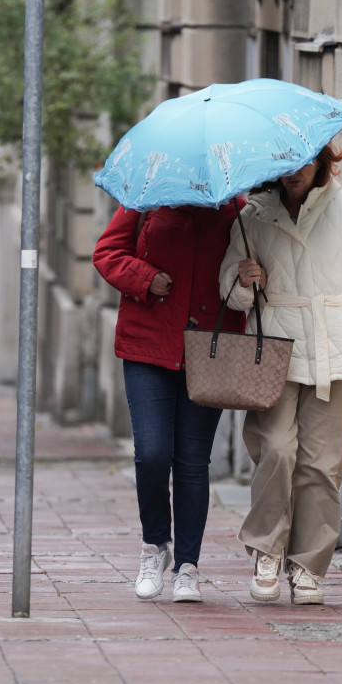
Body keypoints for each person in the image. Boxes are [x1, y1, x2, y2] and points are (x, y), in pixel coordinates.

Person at [218, 142, 342, 605]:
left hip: (330, 348)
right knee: (275, 449)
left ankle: (307, 565)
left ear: (322, 161)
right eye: (284, 162)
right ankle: (266, 551)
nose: (293, 171)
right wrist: (243, 280)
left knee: (322, 461)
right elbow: (228, 287)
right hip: (273, 348)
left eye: (302, 161)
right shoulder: (254, 215)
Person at [92, 202, 246, 603]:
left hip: (209, 349)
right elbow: (107, 252)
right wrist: (145, 278)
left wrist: (250, 277)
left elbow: (255, 272)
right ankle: (155, 545)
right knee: (152, 452)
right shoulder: (145, 201)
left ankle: (188, 568)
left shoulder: (237, 211)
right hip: (148, 345)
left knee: (193, 462)